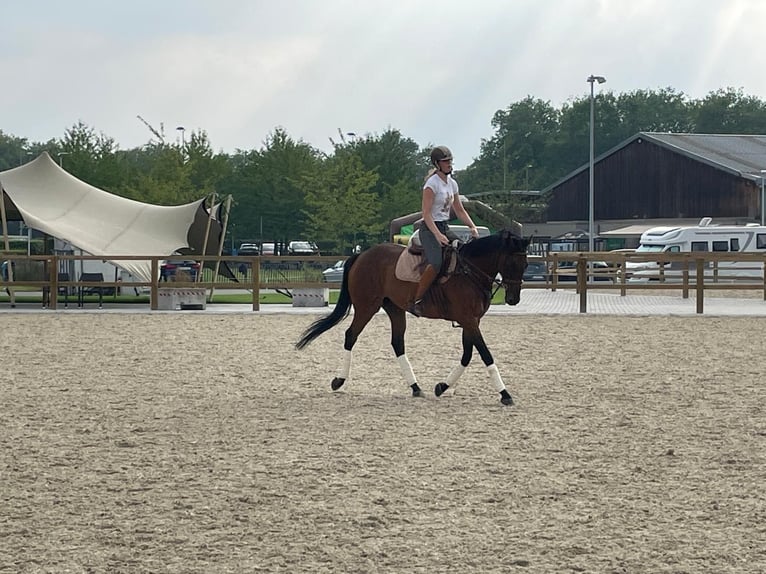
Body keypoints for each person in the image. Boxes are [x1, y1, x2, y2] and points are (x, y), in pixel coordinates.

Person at [408, 145, 480, 316]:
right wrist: (437, 234)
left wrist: (472, 226)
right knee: (436, 262)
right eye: (445, 161)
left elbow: (460, 209)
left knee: (464, 254)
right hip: (429, 228)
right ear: (437, 164)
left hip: (444, 226)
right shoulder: (431, 185)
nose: (449, 164)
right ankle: (417, 300)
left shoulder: (452, 184)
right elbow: (426, 214)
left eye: (450, 161)